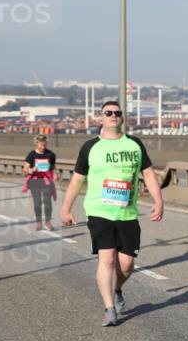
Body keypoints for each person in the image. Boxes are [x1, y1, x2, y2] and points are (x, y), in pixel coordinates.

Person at [60, 101, 164, 326]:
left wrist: (158, 200)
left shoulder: (134, 144)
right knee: (107, 260)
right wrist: (66, 208)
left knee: (126, 264)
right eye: (108, 113)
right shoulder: (90, 147)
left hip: (127, 213)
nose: (113, 116)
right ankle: (109, 309)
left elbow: (148, 174)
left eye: (117, 113)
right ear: (101, 119)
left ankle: (116, 288)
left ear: (122, 118)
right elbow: (77, 179)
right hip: (99, 211)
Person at [23, 134, 57, 230]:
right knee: (37, 202)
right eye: (41, 145)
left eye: (45, 145)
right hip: (35, 181)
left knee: (47, 201)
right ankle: (39, 222)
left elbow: (53, 168)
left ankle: (48, 221)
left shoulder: (51, 154)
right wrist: (31, 170)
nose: (43, 147)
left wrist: (55, 174)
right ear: (36, 144)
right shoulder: (32, 155)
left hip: (46, 180)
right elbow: (25, 169)